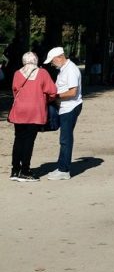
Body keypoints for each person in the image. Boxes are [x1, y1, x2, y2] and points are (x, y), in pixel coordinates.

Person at [8, 52, 58, 182]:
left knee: (18, 139)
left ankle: (15, 170)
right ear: (35, 60)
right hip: (35, 111)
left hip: (19, 110)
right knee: (29, 141)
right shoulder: (42, 73)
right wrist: (44, 99)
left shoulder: (17, 73)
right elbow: (52, 92)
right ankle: (25, 170)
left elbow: (14, 91)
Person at [44, 47, 83, 180]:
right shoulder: (64, 69)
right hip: (66, 107)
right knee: (64, 139)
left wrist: (56, 96)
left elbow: (72, 92)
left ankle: (64, 170)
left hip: (70, 107)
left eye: (52, 62)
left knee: (65, 139)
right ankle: (61, 166)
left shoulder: (70, 70)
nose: (52, 64)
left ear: (59, 58)